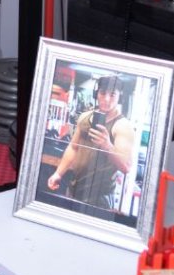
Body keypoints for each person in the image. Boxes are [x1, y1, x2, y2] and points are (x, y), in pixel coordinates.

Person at [45, 75, 135, 210]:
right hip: (74, 188)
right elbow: (73, 148)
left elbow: (126, 167)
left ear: (119, 97)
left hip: (100, 197)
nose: (106, 99)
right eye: (102, 93)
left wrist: (107, 146)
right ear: (96, 94)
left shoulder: (123, 126)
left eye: (112, 95)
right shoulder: (84, 117)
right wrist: (58, 173)